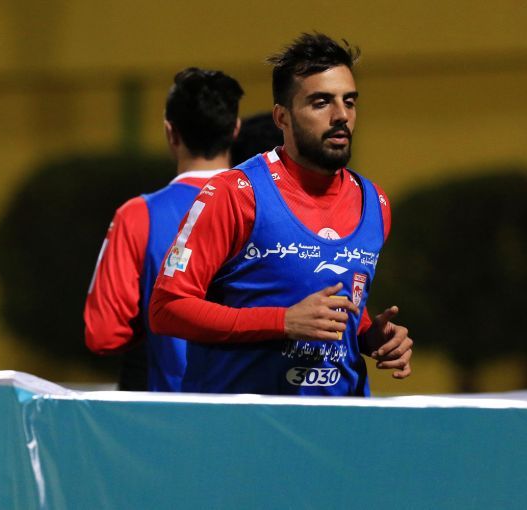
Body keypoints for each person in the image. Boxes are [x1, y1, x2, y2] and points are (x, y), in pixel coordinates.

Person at [149, 33, 412, 396]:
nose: (341, 116)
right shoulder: (234, 194)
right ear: (282, 117)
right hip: (246, 423)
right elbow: (167, 308)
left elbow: (345, 305)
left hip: (342, 420)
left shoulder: (375, 202)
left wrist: (371, 336)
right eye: (321, 102)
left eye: (349, 102)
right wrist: (282, 321)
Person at [84, 68, 244, 391]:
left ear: (171, 132)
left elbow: (103, 334)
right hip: (258, 411)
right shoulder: (270, 207)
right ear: (235, 129)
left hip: (171, 412)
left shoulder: (137, 216)